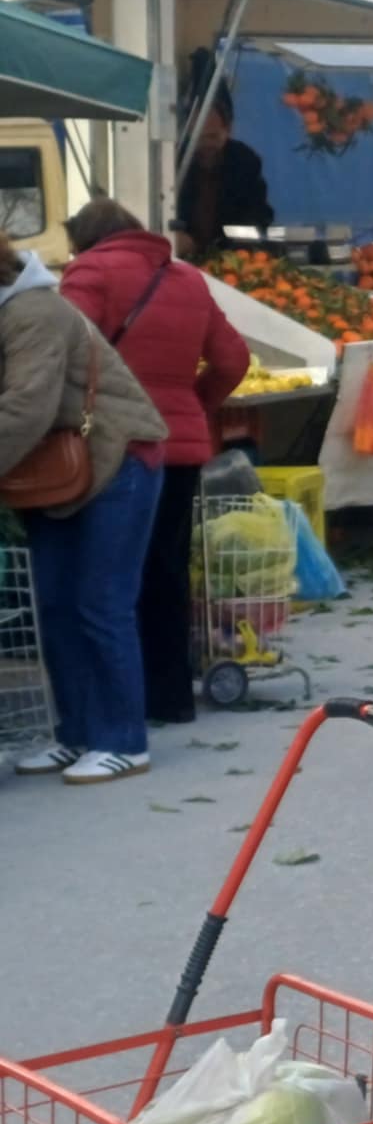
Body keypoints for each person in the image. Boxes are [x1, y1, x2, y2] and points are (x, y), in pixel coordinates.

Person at [58, 200, 249, 726]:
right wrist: (194, 404)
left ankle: (122, 702)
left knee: (109, 577)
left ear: (86, 240)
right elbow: (234, 359)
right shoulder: (186, 280)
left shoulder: (89, 273)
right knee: (166, 569)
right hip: (179, 443)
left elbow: (66, 353)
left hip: (112, 443)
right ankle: (172, 697)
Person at [0, 235, 169, 784]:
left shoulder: (33, 312)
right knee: (54, 605)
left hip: (117, 459)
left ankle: (125, 740)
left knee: (101, 602)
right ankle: (75, 733)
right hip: (59, 474)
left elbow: (27, 407)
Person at [173, 92, 273, 260]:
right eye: (199, 138)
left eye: (213, 136)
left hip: (230, 260)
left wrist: (239, 244)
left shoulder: (244, 162)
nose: (206, 144)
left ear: (228, 130)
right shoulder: (175, 160)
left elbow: (257, 214)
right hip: (181, 260)